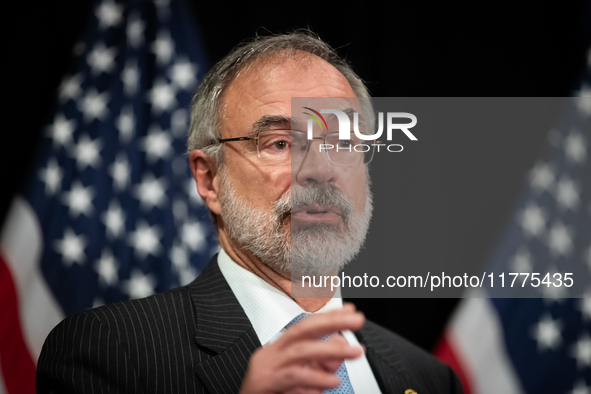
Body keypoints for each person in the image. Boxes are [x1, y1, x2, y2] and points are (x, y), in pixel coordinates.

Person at [37, 31, 463, 394]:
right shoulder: (108, 351)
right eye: (280, 143)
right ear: (208, 180)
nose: (320, 170)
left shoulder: (427, 378)